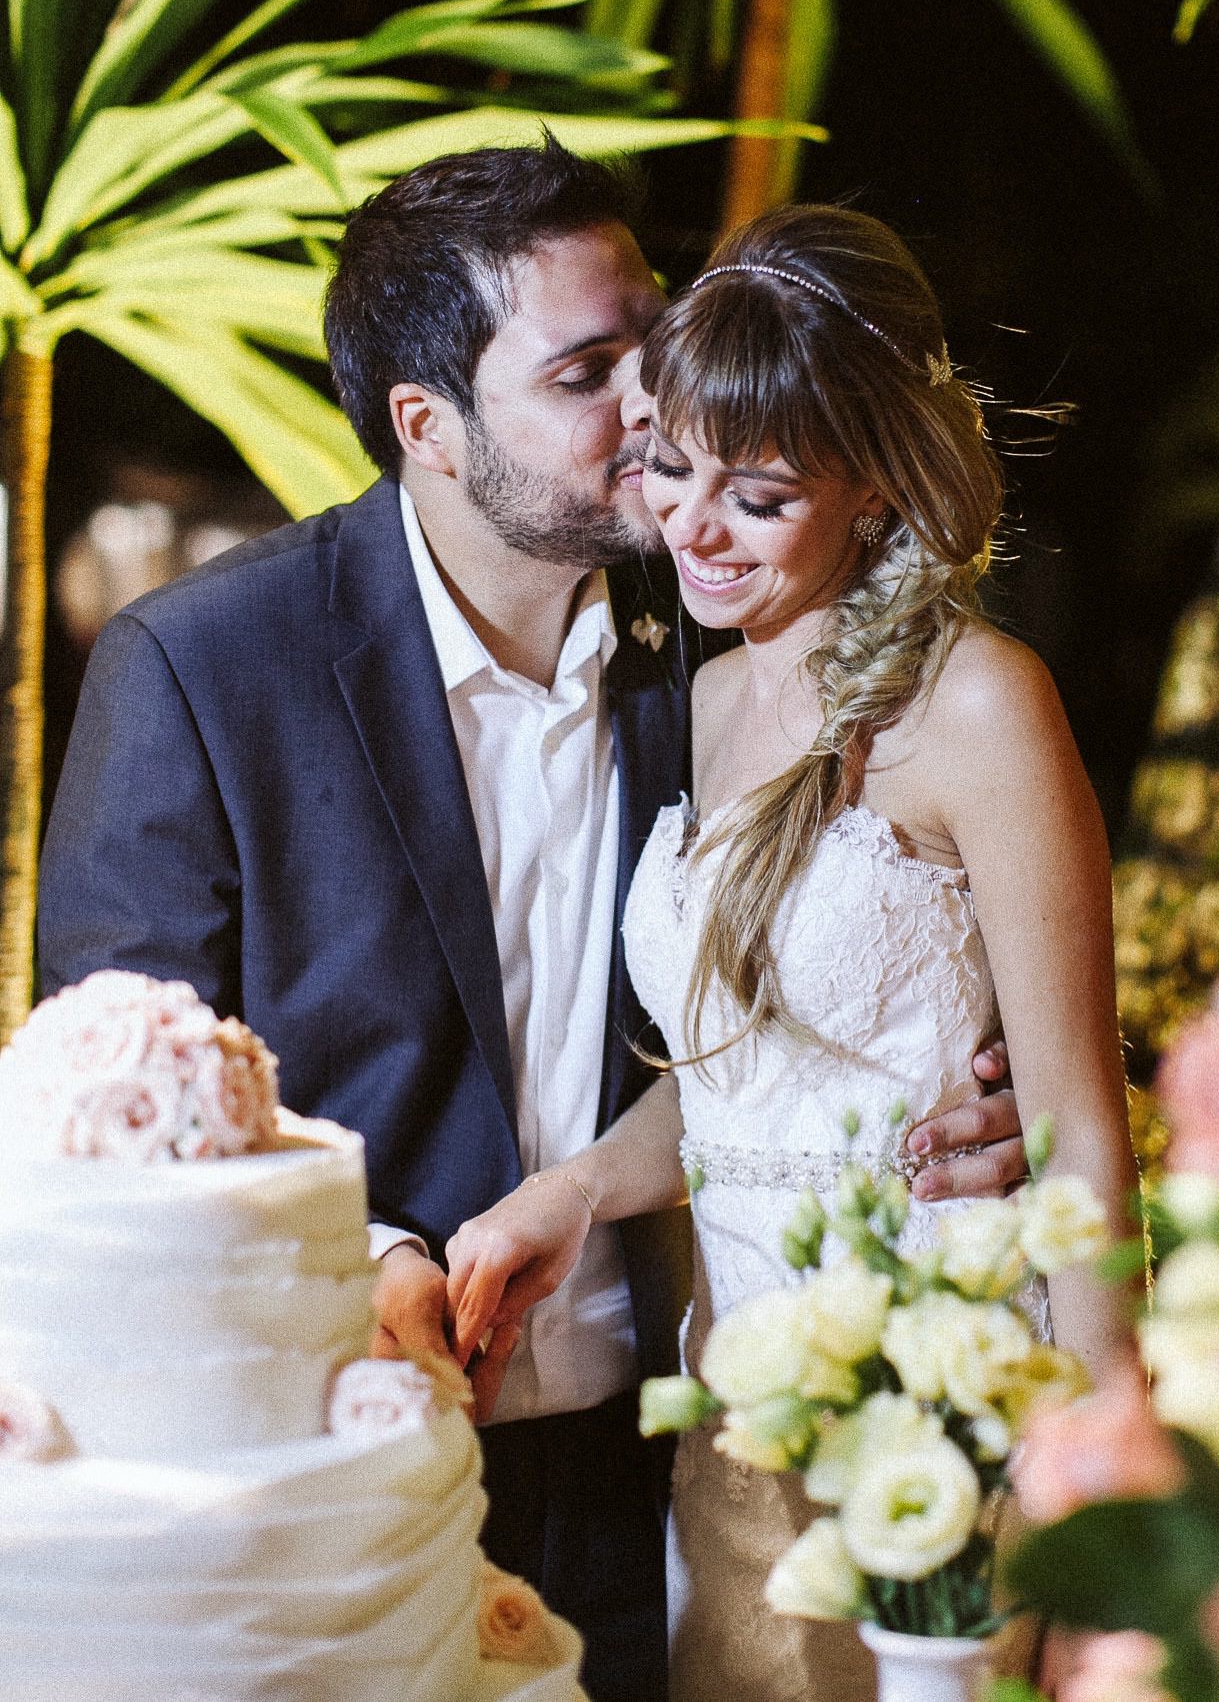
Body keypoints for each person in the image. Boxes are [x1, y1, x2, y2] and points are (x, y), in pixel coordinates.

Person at [36, 143, 1029, 1702]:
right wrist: (369, 1257)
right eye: (590, 370)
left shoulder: (717, 641)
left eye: (653, 336)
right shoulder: (204, 668)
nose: (655, 404)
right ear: (427, 426)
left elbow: (904, 941)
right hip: (356, 1463)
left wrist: (997, 1081)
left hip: (689, 1444)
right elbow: (116, 1090)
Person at [441, 204, 1139, 1702]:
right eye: (674, 472)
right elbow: (738, 1093)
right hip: (738, 1409)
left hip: (944, 1409)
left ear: (877, 493)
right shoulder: (701, 700)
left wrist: (1106, 1487)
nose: (693, 530)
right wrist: (567, 1193)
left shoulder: (980, 707)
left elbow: (1080, 1128)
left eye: (757, 497)